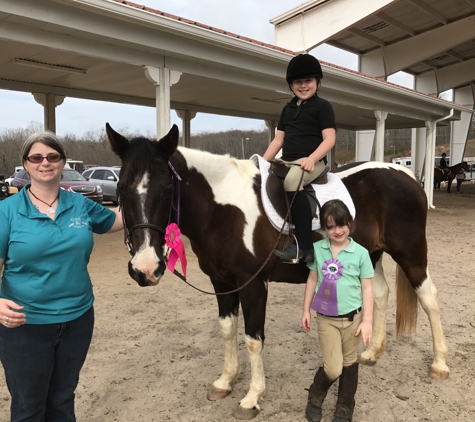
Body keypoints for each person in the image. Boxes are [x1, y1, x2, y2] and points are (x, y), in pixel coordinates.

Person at [0, 132, 124, 422]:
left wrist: (150, 194)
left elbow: (115, 220)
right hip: (26, 325)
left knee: (62, 399)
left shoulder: (79, 204)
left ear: (63, 162)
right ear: (25, 165)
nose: (45, 163)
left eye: (52, 157)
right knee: (29, 407)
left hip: (77, 320)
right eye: (37, 157)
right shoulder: (7, 211)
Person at [302, 199, 374, 422]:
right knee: (333, 368)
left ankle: (345, 406)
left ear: (349, 224)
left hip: (354, 319)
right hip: (326, 319)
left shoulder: (361, 253)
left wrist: (367, 320)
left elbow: (367, 287)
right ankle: (315, 395)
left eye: (341, 225)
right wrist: (306, 310)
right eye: (331, 226)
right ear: (324, 228)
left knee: (350, 362)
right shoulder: (318, 249)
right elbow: (312, 278)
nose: (337, 231)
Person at [263, 54, 336, 263]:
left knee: (292, 181)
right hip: (287, 160)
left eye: (308, 81)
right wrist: (261, 162)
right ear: (291, 84)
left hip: (313, 161)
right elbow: (278, 141)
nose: (303, 86)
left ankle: (304, 247)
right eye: (298, 82)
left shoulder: (323, 107)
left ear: (317, 82)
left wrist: (312, 158)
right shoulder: (287, 109)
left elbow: (329, 139)